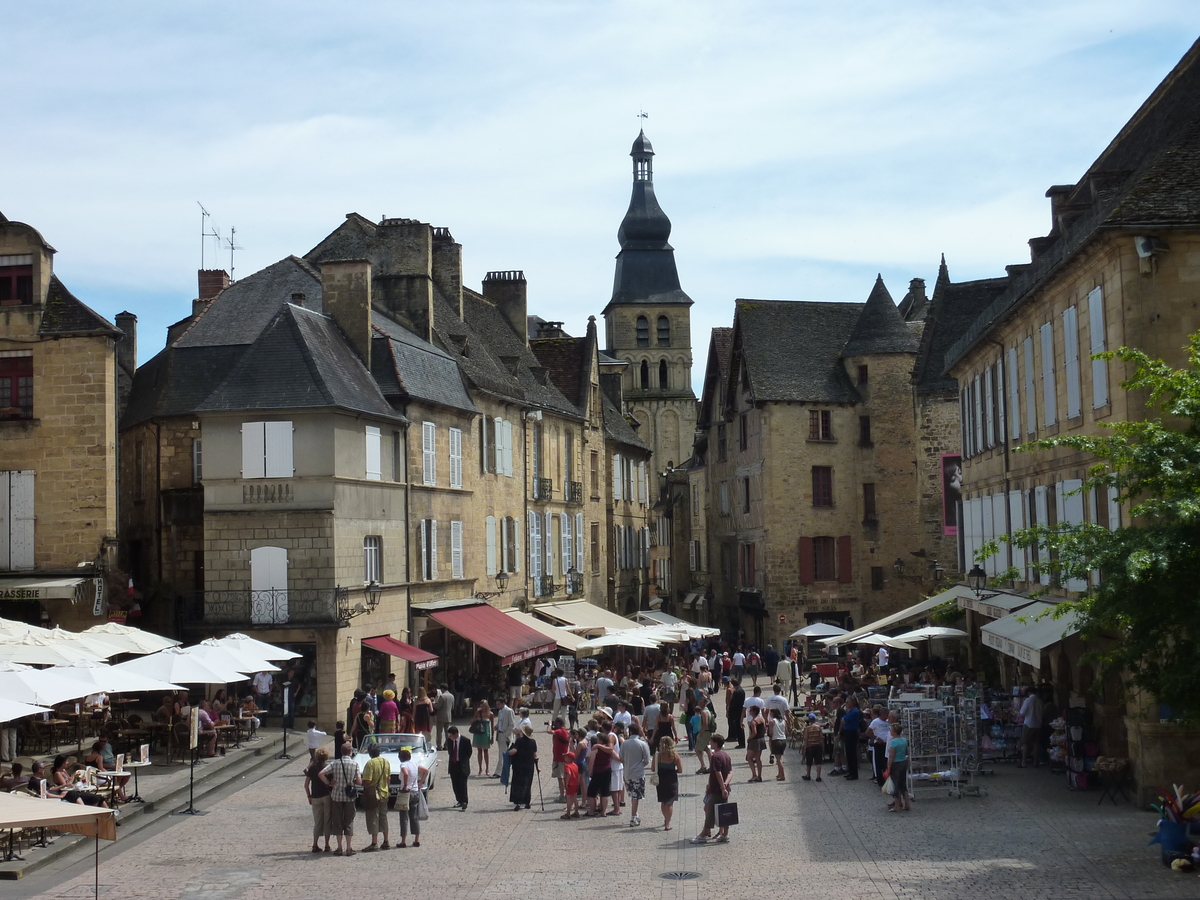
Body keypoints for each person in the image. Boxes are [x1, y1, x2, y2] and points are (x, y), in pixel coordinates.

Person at [319, 741, 362, 855]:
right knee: (348, 821)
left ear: (341, 751)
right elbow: (359, 781)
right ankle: (348, 847)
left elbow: (321, 773)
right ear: (350, 752)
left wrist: (329, 783)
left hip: (337, 796)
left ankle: (339, 847)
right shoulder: (355, 764)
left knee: (337, 821)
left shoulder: (335, 763)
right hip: (349, 797)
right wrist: (351, 780)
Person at [690, 734, 734, 844]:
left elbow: (717, 772)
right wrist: (726, 784)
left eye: (711, 742)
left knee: (710, 811)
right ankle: (725, 834)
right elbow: (730, 772)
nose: (710, 744)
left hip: (716, 789)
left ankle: (703, 834)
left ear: (716, 743)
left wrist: (722, 787)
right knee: (724, 811)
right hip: (725, 789)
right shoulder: (726, 756)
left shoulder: (715, 756)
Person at [360, 742, 391, 851]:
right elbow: (388, 779)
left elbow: (368, 781)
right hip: (384, 793)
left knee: (373, 817)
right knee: (383, 817)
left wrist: (362, 783)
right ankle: (386, 841)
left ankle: (374, 842)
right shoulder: (385, 762)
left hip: (373, 794)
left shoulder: (370, 764)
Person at [620, 721, 651, 826]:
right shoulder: (642, 744)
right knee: (636, 796)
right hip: (638, 773)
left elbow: (621, 758)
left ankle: (635, 814)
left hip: (627, 773)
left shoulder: (624, 743)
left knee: (632, 795)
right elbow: (647, 760)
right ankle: (633, 817)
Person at [396, 747, 427, 847]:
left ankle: (403, 841)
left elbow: (405, 773)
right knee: (414, 816)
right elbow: (426, 771)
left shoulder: (403, 765)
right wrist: (420, 782)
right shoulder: (414, 764)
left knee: (403, 817)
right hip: (415, 791)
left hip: (406, 792)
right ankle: (416, 839)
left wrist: (405, 785)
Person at [304, 748, 333, 852]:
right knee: (327, 820)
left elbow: (306, 785)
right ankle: (327, 845)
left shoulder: (312, 768)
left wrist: (309, 796)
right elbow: (332, 783)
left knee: (317, 822)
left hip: (315, 796)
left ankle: (315, 844)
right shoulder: (328, 768)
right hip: (326, 796)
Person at [654, 735, 684, 831]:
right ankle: (667, 823)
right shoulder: (675, 756)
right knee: (670, 803)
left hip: (661, 780)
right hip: (671, 780)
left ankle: (665, 819)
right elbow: (680, 770)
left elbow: (653, 768)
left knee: (663, 801)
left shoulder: (658, 755)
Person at [507, 723, 539, 811]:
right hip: (529, 766)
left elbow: (514, 751)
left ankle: (518, 802)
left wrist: (507, 753)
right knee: (527, 783)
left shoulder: (519, 741)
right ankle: (527, 802)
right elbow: (535, 755)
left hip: (519, 765)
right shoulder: (533, 741)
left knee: (518, 784)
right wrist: (537, 766)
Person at [885, 722, 911, 812]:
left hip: (896, 763)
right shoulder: (904, 740)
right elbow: (906, 752)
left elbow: (891, 756)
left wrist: (889, 766)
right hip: (903, 762)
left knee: (895, 784)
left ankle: (897, 805)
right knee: (903, 784)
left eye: (891, 730)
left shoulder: (893, 742)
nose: (890, 731)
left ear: (894, 731)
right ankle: (907, 803)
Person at [445, 725, 471, 811]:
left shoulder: (465, 740)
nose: (450, 737)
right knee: (455, 784)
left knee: (462, 784)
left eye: (451, 735)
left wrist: (463, 761)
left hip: (462, 765)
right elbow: (450, 752)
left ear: (456, 734)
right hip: (453, 765)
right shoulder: (449, 741)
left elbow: (469, 752)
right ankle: (459, 800)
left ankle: (464, 801)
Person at [1020, 688, 1045, 768]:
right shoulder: (1040, 701)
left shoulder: (1027, 701)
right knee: (1036, 743)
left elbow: (1022, 712)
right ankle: (1035, 762)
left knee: (1025, 743)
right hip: (1038, 724)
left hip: (1028, 724)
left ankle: (1023, 762)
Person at [867, 705, 891, 785]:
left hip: (887, 744)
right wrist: (876, 738)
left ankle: (886, 777)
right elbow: (868, 732)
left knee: (885, 762)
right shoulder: (875, 721)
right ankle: (880, 780)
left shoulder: (888, 722)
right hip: (879, 744)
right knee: (879, 762)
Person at [494, 698, 516, 784]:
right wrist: (496, 726)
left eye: (499, 704)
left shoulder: (509, 711)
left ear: (503, 703)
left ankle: (499, 772)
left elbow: (511, 723)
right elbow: (500, 721)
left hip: (504, 735)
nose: (497, 706)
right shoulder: (500, 712)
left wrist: (506, 734)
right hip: (499, 734)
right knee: (500, 753)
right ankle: (499, 771)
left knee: (502, 754)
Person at [549, 716, 570, 801]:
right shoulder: (565, 731)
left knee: (560, 777)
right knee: (564, 777)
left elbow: (549, 731)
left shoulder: (560, 731)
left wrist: (550, 724)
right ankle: (566, 794)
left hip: (559, 758)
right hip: (563, 757)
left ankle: (562, 795)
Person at [841, 696, 862, 780]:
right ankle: (850, 771)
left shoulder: (854, 711)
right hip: (847, 732)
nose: (846, 704)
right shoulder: (849, 711)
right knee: (848, 753)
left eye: (847, 702)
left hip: (851, 733)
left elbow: (843, 720)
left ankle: (854, 773)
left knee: (852, 753)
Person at [470, 701, 493, 775]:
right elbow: (471, 721)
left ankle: (487, 768)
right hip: (478, 733)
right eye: (481, 706)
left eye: (484, 706)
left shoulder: (490, 714)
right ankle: (480, 768)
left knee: (486, 751)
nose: (482, 708)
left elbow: (492, 726)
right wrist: (475, 719)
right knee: (479, 751)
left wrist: (492, 737)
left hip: (486, 733)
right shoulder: (477, 712)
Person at [745, 703, 766, 782]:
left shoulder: (753, 722)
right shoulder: (761, 719)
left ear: (754, 712)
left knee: (749, 758)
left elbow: (754, 733)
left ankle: (754, 774)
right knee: (758, 759)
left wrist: (749, 738)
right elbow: (764, 729)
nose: (749, 712)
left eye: (750, 710)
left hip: (754, 741)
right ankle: (759, 776)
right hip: (761, 739)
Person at [801, 713, 824, 781]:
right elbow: (821, 738)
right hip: (818, 746)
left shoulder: (807, 728)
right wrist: (822, 746)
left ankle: (808, 775)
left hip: (810, 747)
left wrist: (805, 748)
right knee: (818, 762)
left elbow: (806, 739)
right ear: (815, 720)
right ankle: (818, 777)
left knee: (809, 762)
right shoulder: (819, 728)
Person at [768, 708, 788, 781]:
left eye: (771, 713)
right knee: (780, 757)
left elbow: (770, 733)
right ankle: (779, 773)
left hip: (776, 740)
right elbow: (786, 731)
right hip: (783, 740)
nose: (770, 714)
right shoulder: (783, 721)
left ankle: (782, 775)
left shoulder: (772, 722)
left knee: (778, 759)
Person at [726, 678, 746, 749]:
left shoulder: (737, 692)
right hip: (740, 710)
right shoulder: (741, 690)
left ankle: (741, 743)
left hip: (737, 712)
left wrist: (729, 709)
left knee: (739, 727)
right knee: (739, 726)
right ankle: (741, 742)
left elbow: (734, 703)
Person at [561, 749, 581, 819]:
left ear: (569, 758)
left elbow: (568, 773)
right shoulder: (575, 765)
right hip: (575, 783)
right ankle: (576, 812)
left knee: (569, 798)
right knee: (574, 798)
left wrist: (566, 782)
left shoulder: (567, 766)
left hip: (570, 784)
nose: (565, 758)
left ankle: (568, 813)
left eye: (566, 756)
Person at [433, 684, 454, 748]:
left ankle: (439, 745)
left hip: (441, 716)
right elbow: (452, 707)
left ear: (442, 689)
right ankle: (447, 745)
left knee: (439, 732)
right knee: (447, 732)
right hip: (448, 716)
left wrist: (433, 704)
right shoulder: (451, 696)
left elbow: (438, 706)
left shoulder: (442, 696)